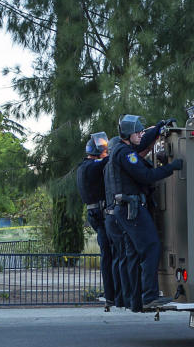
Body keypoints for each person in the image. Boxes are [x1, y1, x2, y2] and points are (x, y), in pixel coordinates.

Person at [104, 114, 183, 310]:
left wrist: (158, 127)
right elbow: (146, 176)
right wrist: (172, 168)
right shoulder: (126, 154)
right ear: (129, 135)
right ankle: (149, 296)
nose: (141, 135)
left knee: (135, 254)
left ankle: (136, 300)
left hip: (126, 210)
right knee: (151, 247)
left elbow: (144, 142)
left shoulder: (122, 150)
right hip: (132, 210)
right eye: (138, 132)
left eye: (141, 132)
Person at [76, 132, 118, 310]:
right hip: (100, 216)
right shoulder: (94, 166)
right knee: (110, 254)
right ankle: (112, 294)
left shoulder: (83, 166)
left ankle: (111, 294)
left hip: (94, 214)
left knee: (107, 254)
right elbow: (110, 160)